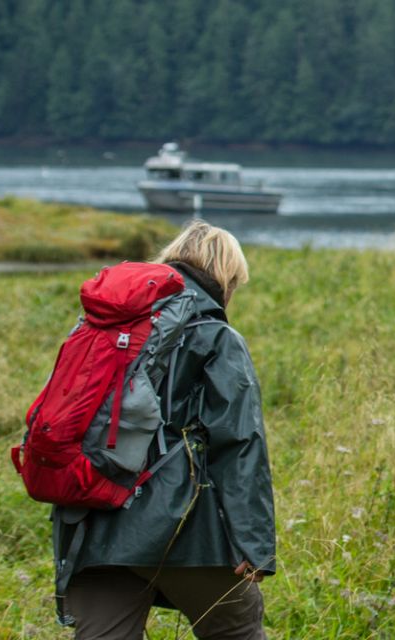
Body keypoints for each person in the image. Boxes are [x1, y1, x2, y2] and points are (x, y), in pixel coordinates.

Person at [52, 220, 276, 640]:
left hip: (94, 521)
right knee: (236, 632)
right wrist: (255, 544)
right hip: (186, 529)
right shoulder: (215, 335)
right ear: (226, 276)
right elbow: (240, 443)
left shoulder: (97, 326)